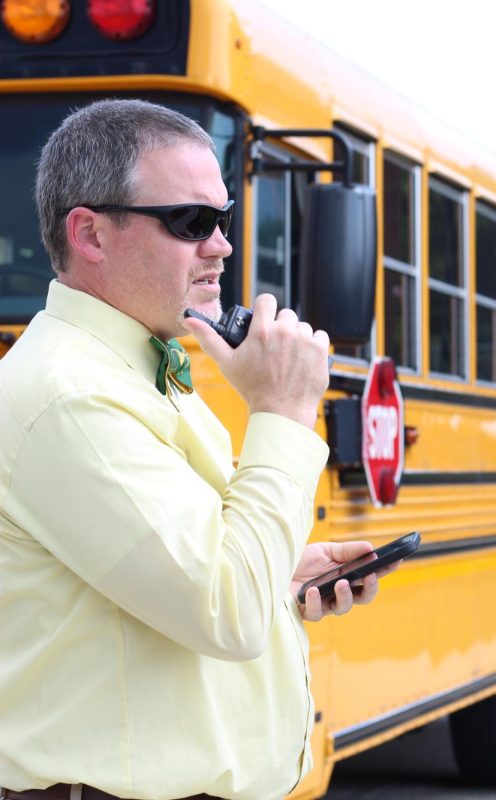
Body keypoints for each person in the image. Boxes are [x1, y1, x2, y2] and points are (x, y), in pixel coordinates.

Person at [0, 99, 390, 800]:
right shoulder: (73, 395)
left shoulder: (132, 368)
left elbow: (185, 574)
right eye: (192, 221)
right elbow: (227, 608)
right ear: (89, 233)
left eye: (225, 219)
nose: (222, 246)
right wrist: (285, 411)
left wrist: (282, 572)